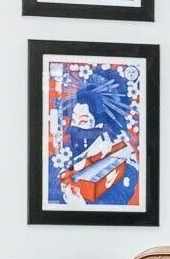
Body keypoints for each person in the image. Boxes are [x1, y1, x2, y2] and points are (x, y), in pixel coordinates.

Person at [52, 64, 142, 207]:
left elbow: (117, 206)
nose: (75, 128)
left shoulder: (125, 162)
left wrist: (81, 207)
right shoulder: (65, 154)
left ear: (102, 125)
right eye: (74, 120)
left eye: (83, 121)